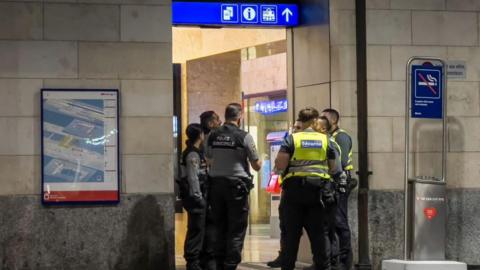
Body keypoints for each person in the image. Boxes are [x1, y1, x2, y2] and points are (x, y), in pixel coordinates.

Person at [274, 107, 337, 270]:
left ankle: (287, 267)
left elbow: (280, 164)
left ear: (301, 120)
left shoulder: (292, 139)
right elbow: (333, 167)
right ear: (315, 120)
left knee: (291, 237)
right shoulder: (325, 140)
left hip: (293, 193)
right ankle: (323, 267)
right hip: (317, 194)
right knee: (318, 236)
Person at [206, 103, 262, 270]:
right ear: (240, 116)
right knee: (236, 228)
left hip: (216, 186)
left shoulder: (212, 135)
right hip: (236, 187)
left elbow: (208, 158)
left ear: (225, 115)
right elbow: (257, 165)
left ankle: (218, 264)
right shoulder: (244, 136)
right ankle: (230, 265)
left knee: (219, 226)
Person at [267, 119, 305, 268]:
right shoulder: (289, 143)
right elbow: (278, 168)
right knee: (286, 228)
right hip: (290, 191)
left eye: (297, 127)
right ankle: (284, 257)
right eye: (293, 127)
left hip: (305, 191)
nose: (294, 130)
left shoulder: (300, 145)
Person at [321, 109, 356, 270]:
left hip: (340, 183)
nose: (321, 121)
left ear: (333, 121)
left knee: (339, 222)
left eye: (325, 118)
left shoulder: (340, 137)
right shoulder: (327, 137)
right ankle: (332, 260)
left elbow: (338, 163)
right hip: (330, 183)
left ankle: (344, 261)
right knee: (329, 223)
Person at [179, 124, 209, 270]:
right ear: (200, 135)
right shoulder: (192, 154)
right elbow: (193, 178)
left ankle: (195, 260)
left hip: (196, 196)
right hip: (195, 197)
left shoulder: (195, 152)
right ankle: (192, 262)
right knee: (196, 229)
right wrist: (199, 198)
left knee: (197, 228)